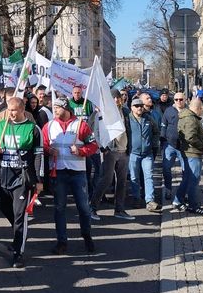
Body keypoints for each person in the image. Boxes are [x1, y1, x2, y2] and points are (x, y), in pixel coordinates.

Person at [43, 97, 98, 254]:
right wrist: (49, 150)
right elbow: (44, 144)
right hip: (58, 172)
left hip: (78, 173)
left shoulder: (81, 125)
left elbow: (93, 145)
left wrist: (81, 151)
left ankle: (87, 236)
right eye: (54, 108)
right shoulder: (49, 126)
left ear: (66, 109)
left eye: (58, 108)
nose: (55, 111)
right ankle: (62, 242)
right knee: (59, 208)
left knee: (84, 208)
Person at [0, 97, 43, 268]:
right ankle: (18, 233)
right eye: (9, 109)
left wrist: (38, 180)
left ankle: (18, 252)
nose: (11, 113)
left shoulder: (33, 129)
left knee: (20, 217)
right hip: (5, 176)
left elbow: (38, 155)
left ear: (23, 110)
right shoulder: (2, 126)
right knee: (6, 209)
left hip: (22, 178)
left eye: (14, 110)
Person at [90, 89, 134, 221]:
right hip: (110, 151)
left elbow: (129, 130)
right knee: (106, 180)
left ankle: (119, 210)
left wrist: (128, 147)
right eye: (113, 98)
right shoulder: (102, 113)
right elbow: (94, 129)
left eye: (118, 97)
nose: (116, 100)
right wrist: (102, 147)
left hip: (123, 151)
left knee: (122, 182)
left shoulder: (125, 112)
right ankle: (92, 207)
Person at [174, 98, 203, 215]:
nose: (201, 111)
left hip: (188, 152)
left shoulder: (186, 116)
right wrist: (202, 146)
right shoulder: (190, 118)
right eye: (201, 108)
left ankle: (178, 200)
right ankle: (193, 205)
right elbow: (190, 137)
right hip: (192, 153)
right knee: (193, 180)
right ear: (198, 108)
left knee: (187, 179)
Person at [128, 98, 161, 212]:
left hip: (147, 153)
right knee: (134, 177)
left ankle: (150, 200)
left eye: (141, 106)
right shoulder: (128, 120)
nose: (139, 108)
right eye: (136, 106)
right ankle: (136, 198)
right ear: (132, 107)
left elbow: (156, 132)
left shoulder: (149, 119)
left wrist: (153, 144)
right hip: (133, 154)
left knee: (149, 176)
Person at [68, 85, 99, 197]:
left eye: (79, 93)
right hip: (74, 138)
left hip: (87, 137)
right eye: (75, 92)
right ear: (72, 93)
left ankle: (90, 191)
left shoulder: (87, 103)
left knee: (90, 167)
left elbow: (92, 118)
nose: (77, 94)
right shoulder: (69, 104)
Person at [161, 92, 187, 200]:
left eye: (181, 99)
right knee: (166, 168)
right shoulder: (169, 111)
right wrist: (163, 141)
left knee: (186, 170)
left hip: (184, 147)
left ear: (185, 100)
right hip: (170, 145)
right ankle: (168, 189)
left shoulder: (188, 111)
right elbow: (163, 125)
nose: (178, 101)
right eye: (176, 99)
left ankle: (184, 192)